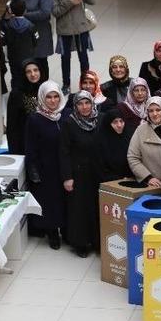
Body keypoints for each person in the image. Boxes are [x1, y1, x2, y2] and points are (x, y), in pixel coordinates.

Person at [26, 81, 68, 249]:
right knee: (50, 202)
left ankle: (66, 230)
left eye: (56, 96)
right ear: (42, 98)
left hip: (65, 166)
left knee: (65, 200)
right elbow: (30, 147)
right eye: (48, 97)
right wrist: (33, 170)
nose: (52, 101)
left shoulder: (66, 115)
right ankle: (52, 233)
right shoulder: (35, 119)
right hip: (46, 168)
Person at [60, 91, 100, 256]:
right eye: (80, 104)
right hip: (78, 174)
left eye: (87, 103)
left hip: (97, 173)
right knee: (80, 210)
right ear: (75, 106)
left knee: (96, 208)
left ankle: (97, 241)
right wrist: (67, 177)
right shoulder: (69, 123)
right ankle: (81, 243)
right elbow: (64, 152)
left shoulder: (100, 119)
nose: (84, 107)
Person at [52, 0, 96, 94]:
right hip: (65, 31)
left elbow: (93, 0)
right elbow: (55, 12)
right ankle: (66, 84)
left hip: (81, 30)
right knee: (65, 59)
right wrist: (70, 2)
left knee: (83, 58)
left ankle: (86, 82)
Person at [13, 0, 53, 79]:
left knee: (41, 60)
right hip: (23, 33)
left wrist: (24, 14)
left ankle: (44, 85)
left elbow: (44, 13)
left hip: (41, 32)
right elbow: (15, 7)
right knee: (26, 61)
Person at [127, 97, 161, 188]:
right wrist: (148, 177)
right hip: (152, 186)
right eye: (151, 111)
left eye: (158, 110)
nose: (155, 114)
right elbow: (133, 157)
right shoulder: (141, 130)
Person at [0, 0, 39, 90]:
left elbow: (2, 41)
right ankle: (30, 100)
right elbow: (36, 40)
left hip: (13, 58)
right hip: (28, 57)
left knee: (15, 77)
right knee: (29, 77)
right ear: (25, 10)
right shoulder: (31, 25)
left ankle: (16, 97)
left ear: (11, 10)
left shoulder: (7, 26)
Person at [6, 59, 44, 154]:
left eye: (36, 70)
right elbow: (12, 126)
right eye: (28, 72)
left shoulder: (43, 89)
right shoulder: (16, 94)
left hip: (42, 141)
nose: (33, 74)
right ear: (23, 74)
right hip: (24, 143)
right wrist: (14, 152)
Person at [95, 108, 132, 182]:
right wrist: (117, 179)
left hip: (130, 181)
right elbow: (99, 167)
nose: (119, 125)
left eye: (121, 121)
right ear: (108, 124)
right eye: (115, 122)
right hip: (108, 183)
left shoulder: (129, 137)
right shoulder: (100, 141)